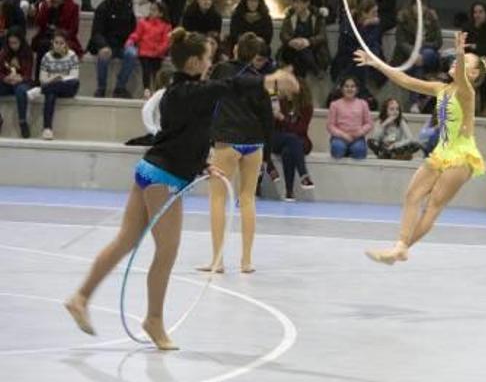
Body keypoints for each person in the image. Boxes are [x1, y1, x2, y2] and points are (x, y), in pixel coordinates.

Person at [64, 28, 297, 350]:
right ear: (193, 62)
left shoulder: (182, 91)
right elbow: (231, 86)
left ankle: (81, 297)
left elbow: (183, 135)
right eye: (207, 58)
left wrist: (201, 164)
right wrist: (270, 80)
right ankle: (153, 320)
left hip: (153, 170)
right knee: (166, 253)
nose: (211, 63)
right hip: (164, 177)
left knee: (126, 241)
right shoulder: (187, 92)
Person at [356, 32, 486, 264]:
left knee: (433, 205)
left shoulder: (467, 93)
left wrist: (459, 52)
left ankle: (401, 248)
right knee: (412, 195)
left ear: (475, 73)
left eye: (465, 62)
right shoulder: (441, 89)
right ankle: (400, 247)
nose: (458, 63)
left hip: (461, 155)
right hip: (442, 152)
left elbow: (461, 80)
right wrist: (376, 63)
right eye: (459, 60)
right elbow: (407, 81)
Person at [197, 32, 276, 274]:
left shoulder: (221, 70)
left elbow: (205, 94)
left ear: (234, 50)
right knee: (248, 198)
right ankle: (246, 261)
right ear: (254, 57)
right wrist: (268, 153)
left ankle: (218, 261)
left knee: (218, 199)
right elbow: (267, 118)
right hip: (254, 143)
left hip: (227, 141)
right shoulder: (259, 80)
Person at [88, 0, 137, 98]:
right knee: (103, 54)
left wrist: (132, 41)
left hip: (123, 45)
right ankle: (101, 88)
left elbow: (134, 28)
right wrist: (103, 46)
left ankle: (120, 87)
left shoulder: (128, 7)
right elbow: (96, 32)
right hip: (107, 44)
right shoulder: (103, 8)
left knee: (132, 53)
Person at [393, 0, 442, 113]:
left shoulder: (432, 19)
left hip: (430, 56)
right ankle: (415, 102)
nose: (420, 8)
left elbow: (438, 43)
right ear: (412, 7)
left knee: (426, 54)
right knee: (418, 67)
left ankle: (414, 102)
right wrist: (414, 53)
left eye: (423, 5)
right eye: (417, 5)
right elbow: (401, 42)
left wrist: (422, 46)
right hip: (408, 57)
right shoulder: (403, 19)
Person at [271, 76, 316, 202]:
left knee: (288, 150)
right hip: (278, 138)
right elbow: (272, 127)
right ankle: (303, 174)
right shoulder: (278, 103)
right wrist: (275, 117)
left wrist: (283, 119)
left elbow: (300, 129)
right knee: (291, 139)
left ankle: (289, 192)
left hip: (299, 139)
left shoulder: (306, 107)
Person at [32, 0, 83, 71]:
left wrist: (58, 36)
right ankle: (39, 79)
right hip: (46, 36)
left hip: (65, 38)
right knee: (42, 44)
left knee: (50, 45)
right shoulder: (46, 4)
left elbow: (73, 30)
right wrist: (46, 9)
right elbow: (39, 23)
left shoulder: (73, 7)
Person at [37, 30, 80, 140]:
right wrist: (53, 79)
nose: (58, 45)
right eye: (56, 42)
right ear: (52, 43)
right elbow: (42, 79)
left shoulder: (72, 55)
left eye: (61, 43)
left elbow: (74, 76)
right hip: (52, 87)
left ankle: (41, 90)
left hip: (67, 88)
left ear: (66, 44)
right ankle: (47, 129)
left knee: (74, 83)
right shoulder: (47, 57)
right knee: (50, 94)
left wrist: (60, 79)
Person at [277, 0, 329, 78]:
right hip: (292, 49)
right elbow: (283, 34)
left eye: (299, 3)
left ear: (307, 3)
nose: (295, 6)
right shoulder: (290, 16)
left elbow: (322, 36)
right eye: (295, 2)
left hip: (313, 49)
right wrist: (290, 41)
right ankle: (315, 70)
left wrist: (308, 41)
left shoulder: (317, 17)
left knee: (302, 52)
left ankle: (300, 82)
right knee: (298, 51)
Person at [126, 1, 171, 99]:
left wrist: (159, 51)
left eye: (154, 10)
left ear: (161, 13)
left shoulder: (166, 26)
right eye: (151, 9)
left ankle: (156, 91)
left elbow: (166, 42)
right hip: (144, 52)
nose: (151, 12)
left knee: (156, 70)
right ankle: (146, 89)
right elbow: (137, 34)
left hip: (157, 54)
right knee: (146, 69)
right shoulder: (143, 23)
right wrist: (131, 40)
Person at [332, 0, 380, 87]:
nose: (376, 15)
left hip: (363, 61)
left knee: (362, 63)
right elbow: (347, 44)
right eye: (373, 12)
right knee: (357, 62)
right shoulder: (348, 22)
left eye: (377, 12)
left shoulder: (373, 25)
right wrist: (363, 26)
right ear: (363, 13)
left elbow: (374, 43)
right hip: (346, 59)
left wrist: (371, 54)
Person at [327, 76, 372, 160]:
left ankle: (350, 151)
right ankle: (344, 151)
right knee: (337, 149)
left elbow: (369, 124)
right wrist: (343, 135)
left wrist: (358, 133)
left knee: (359, 151)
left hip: (357, 138)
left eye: (352, 86)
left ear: (357, 89)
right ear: (342, 89)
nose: (349, 89)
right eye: (346, 86)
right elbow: (330, 126)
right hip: (339, 138)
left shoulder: (363, 104)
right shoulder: (335, 104)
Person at [0, 27, 33, 138]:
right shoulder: (4, 52)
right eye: (10, 43)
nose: (12, 45)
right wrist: (5, 78)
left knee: (21, 90)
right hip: (8, 82)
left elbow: (28, 75)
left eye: (15, 43)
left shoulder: (27, 53)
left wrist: (20, 79)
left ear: (21, 41)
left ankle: (22, 122)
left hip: (21, 82)